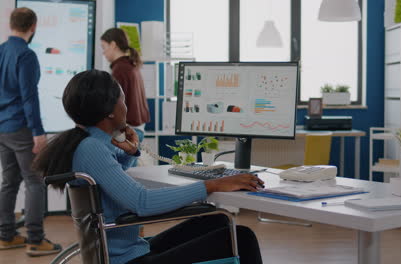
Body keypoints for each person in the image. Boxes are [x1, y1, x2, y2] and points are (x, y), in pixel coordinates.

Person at [33, 70, 263, 264]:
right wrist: (212, 184)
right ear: (111, 111)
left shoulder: (88, 143)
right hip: (128, 260)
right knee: (241, 237)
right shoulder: (91, 148)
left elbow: (114, 185)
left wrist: (130, 152)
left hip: (132, 250)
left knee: (217, 220)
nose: (126, 106)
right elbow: (141, 202)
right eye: (122, 100)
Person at [0, 7, 62, 256]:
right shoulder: (26, 55)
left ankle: (5, 236)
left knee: (8, 183)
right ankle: (35, 240)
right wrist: (38, 132)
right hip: (22, 128)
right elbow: (29, 97)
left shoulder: (1, 50)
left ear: (11, 24)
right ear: (33, 27)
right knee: (35, 182)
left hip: (2, 128)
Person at [100, 28, 150, 146]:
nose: (103, 53)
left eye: (104, 47)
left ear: (113, 45)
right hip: (138, 128)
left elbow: (115, 104)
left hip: (127, 131)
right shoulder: (131, 65)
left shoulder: (120, 70)